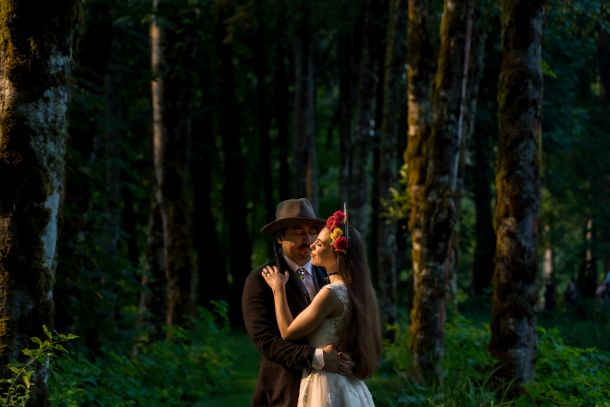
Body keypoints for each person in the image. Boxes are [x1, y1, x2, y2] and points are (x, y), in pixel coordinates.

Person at [262, 209, 382, 406]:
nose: (311, 245)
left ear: (336, 252)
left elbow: (287, 331)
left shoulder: (330, 293)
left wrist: (278, 290)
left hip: (326, 384)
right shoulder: (359, 291)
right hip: (349, 384)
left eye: (318, 243)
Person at [242, 198, 355, 407]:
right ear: (279, 237)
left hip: (331, 390)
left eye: (312, 231)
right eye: (299, 232)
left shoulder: (330, 274)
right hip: (282, 391)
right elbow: (266, 342)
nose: (309, 239)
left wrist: (349, 358)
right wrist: (317, 358)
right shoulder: (260, 280)